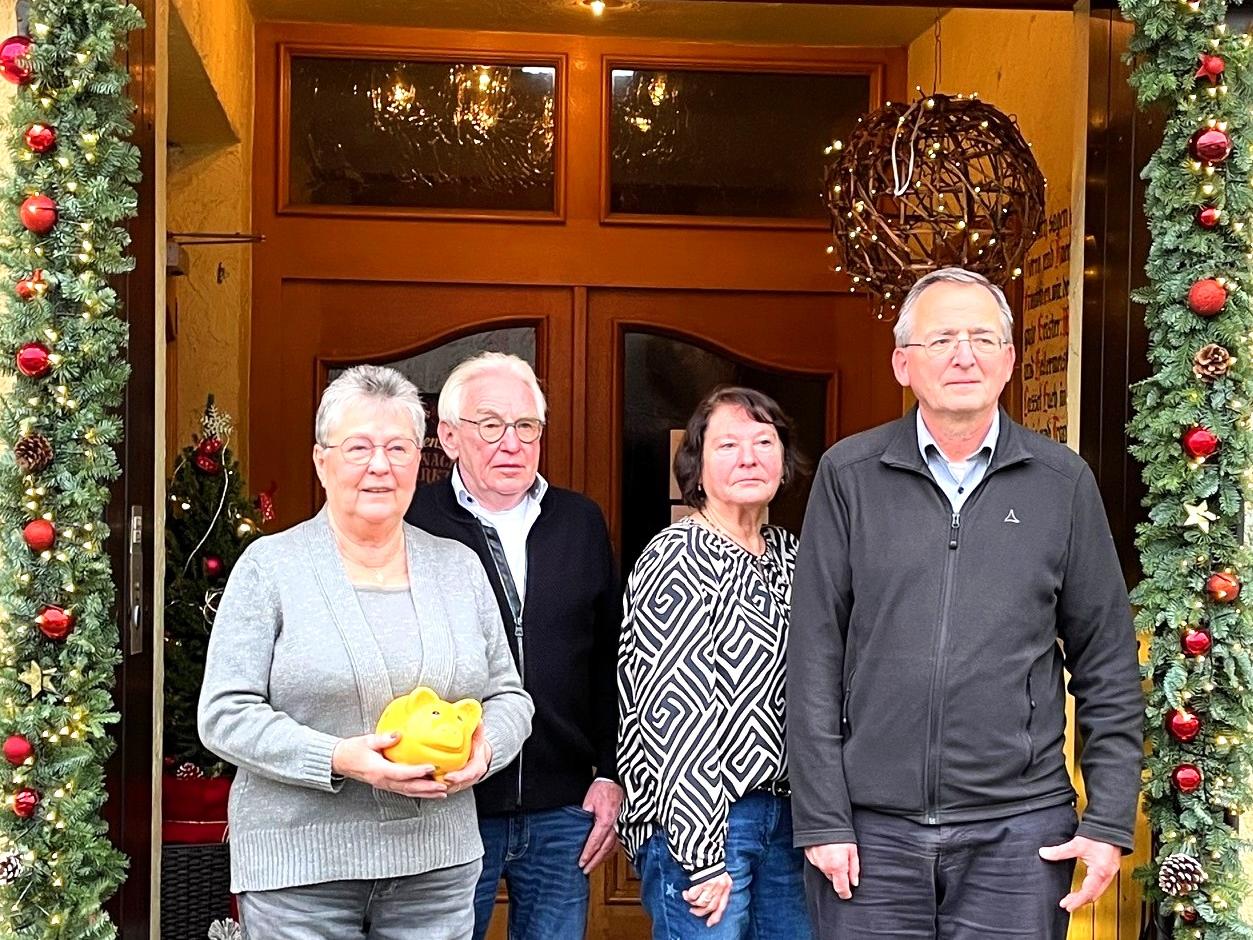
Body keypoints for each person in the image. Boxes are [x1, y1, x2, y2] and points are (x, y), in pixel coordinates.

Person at [787, 267, 1144, 939]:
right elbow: (812, 656)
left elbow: (1106, 663)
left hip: (1018, 834)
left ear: (1009, 360)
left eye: (982, 337)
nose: (963, 354)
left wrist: (1106, 822)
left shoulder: (1060, 482)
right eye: (941, 337)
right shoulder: (848, 475)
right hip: (869, 835)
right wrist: (825, 818)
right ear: (902, 363)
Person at [198, 364, 534, 940]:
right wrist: (338, 758)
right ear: (321, 460)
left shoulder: (459, 567)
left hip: (437, 868)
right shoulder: (270, 569)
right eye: (358, 447)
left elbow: (509, 696)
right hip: (300, 874)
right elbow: (224, 715)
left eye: (398, 447)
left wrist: (486, 750)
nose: (380, 465)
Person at [405, 352, 621, 940]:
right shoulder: (413, 522)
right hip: (449, 803)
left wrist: (609, 772)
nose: (511, 443)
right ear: (448, 437)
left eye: (526, 427)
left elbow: (607, 658)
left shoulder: (578, 520)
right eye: (490, 425)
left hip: (562, 806)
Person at [617, 386, 812, 940]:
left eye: (763, 441)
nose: (748, 457)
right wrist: (701, 852)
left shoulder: (791, 553)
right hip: (708, 824)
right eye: (727, 445)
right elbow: (669, 716)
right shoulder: (678, 555)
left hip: (786, 818)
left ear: (784, 459)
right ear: (697, 469)